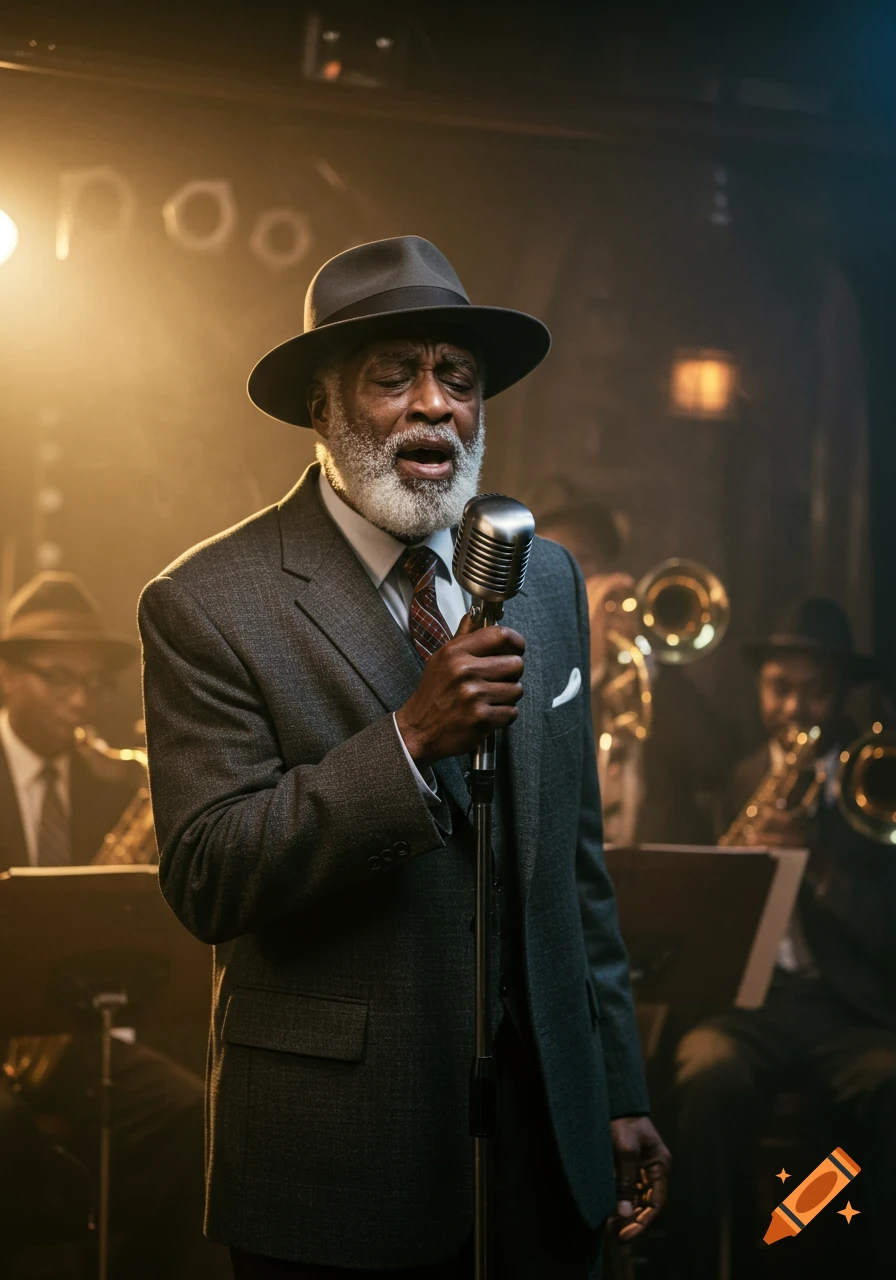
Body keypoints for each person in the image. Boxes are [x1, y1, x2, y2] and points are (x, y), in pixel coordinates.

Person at [138, 234, 670, 1279]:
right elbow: (207, 871)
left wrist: (614, 1084)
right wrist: (406, 742)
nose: (434, 404)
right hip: (339, 1152)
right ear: (320, 406)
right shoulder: (207, 602)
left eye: (457, 379)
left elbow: (571, 866)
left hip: (543, 1146)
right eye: (394, 376)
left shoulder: (546, 579)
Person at [671, 598, 895, 1279]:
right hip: (751, 1011)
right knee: (703, 1077)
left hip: (850, 1014)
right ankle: (712, 1260)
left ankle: (842, 1247)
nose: (795, 709)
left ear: (841, 694)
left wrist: (814, 865)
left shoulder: (877, 779)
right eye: (780, 689)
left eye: (815, 690)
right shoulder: (738, 781)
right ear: (760, 689)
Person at [0, 571, 208, 1280]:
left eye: (92, 685)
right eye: (60, 678)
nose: (80, 700)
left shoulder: (119, 780)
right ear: (6, 676)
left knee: (190, 1115)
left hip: (72, 1038)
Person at [538, 499, 737, 845]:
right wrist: (588, 662)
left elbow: (716, 765)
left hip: (660, 882)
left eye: (581, 560)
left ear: (610, 570)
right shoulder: (527, 668)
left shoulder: (649, 667)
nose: (571, 575)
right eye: (553, 563)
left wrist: (650, 660)